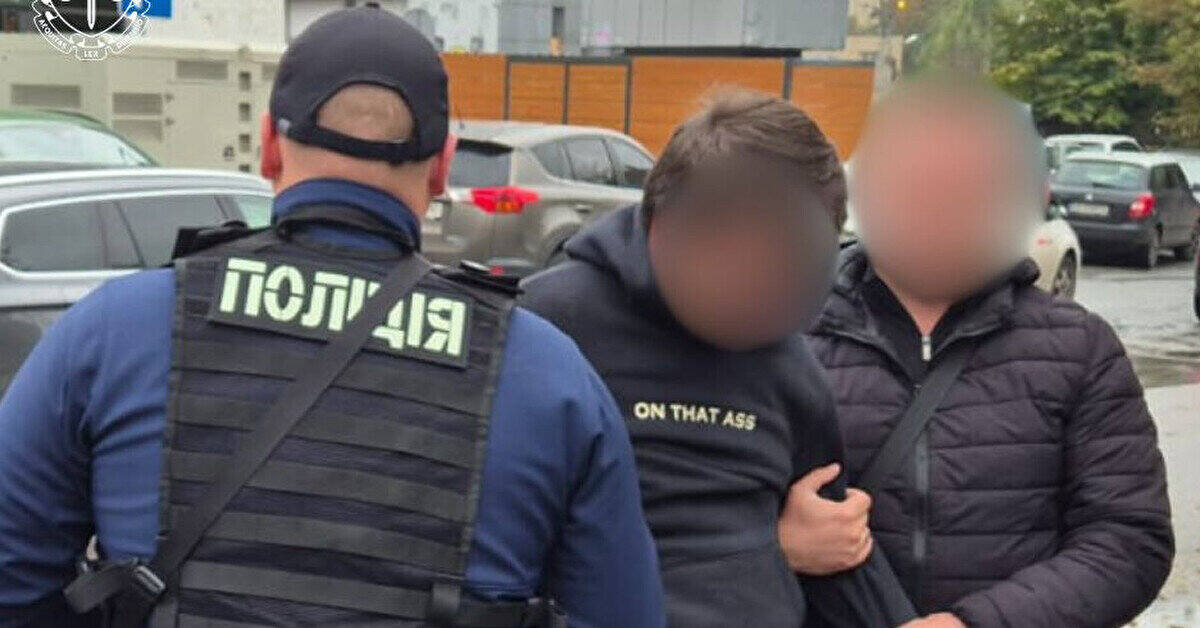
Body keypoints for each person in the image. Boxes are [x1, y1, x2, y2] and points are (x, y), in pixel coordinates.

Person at [0, 8, 663, 627]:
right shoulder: (547, 376)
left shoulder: (113, 331)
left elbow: (11, 577)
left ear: (268, 146)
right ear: (441, 167)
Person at [520, 89, 914, 627]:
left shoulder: (789, 365)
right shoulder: (544, 328)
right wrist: (772, 553)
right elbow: (490, 547)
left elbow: (836, 537)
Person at [789, 76, 1174, 627]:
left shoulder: (1079, 348)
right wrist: (779, 545)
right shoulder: (784, 334)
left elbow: (1129, 540)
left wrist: (978, 623)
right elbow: (691, 513)